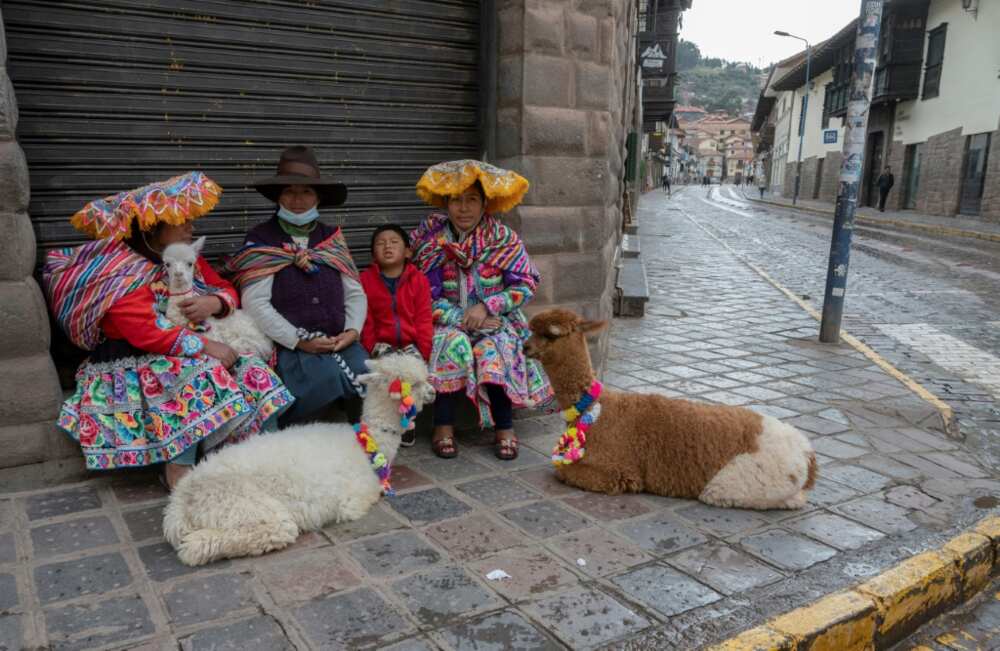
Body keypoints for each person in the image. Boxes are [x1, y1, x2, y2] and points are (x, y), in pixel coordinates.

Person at [43, 173, 293, 490]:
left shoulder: (183, 259)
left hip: (187, 346)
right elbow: (146, 332)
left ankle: (262, 454)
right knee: (199, 375)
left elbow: (224, 287)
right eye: (182, 220)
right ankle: (179, 469)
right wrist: (206, 346)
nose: (191, 227)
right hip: (135, 359)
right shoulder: (120, 273)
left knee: (253, 369)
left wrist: (213, 303)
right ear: (152, 228)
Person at [410, 160, 553, 460]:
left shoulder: (504, 240)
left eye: (472, 200)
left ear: (485, 203)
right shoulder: (430, 242)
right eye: (456, 200)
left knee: (496, 348)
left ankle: (504, 427)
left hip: (496, 320)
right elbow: (422, 292)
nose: (464, 208)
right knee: (449, 344)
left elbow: (526, 284)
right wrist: (458, 318)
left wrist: (489, 307)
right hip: (447, 319)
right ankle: (443, 426)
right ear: (446, 203)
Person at [226, 146, 368, 425]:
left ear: (318, 197)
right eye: (289, 191)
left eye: (306, 192)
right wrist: (299, 340)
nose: (297, 200)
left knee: (368, 374)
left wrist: (352, 331)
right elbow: (256, 303)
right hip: (290, 346)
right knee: (322, 382)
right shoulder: (261, 239)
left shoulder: (332, 238)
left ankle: (358, 445)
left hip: (339, 340)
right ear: (279, 196)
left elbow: (355, 292)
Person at [359, 224, 433, 445]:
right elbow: (366, 319)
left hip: (412, 344)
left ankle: (407, 424)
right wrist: (372, 346)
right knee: (384, 382)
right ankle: (381, 425)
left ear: (408, 251)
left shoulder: (418, 280)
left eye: (394, 242)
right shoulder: (365, 280)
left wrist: (423, 350)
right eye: (380, 243)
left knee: (409, 382)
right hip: (381, 344)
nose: (387, 246)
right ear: (373, 254)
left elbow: (424, 318)